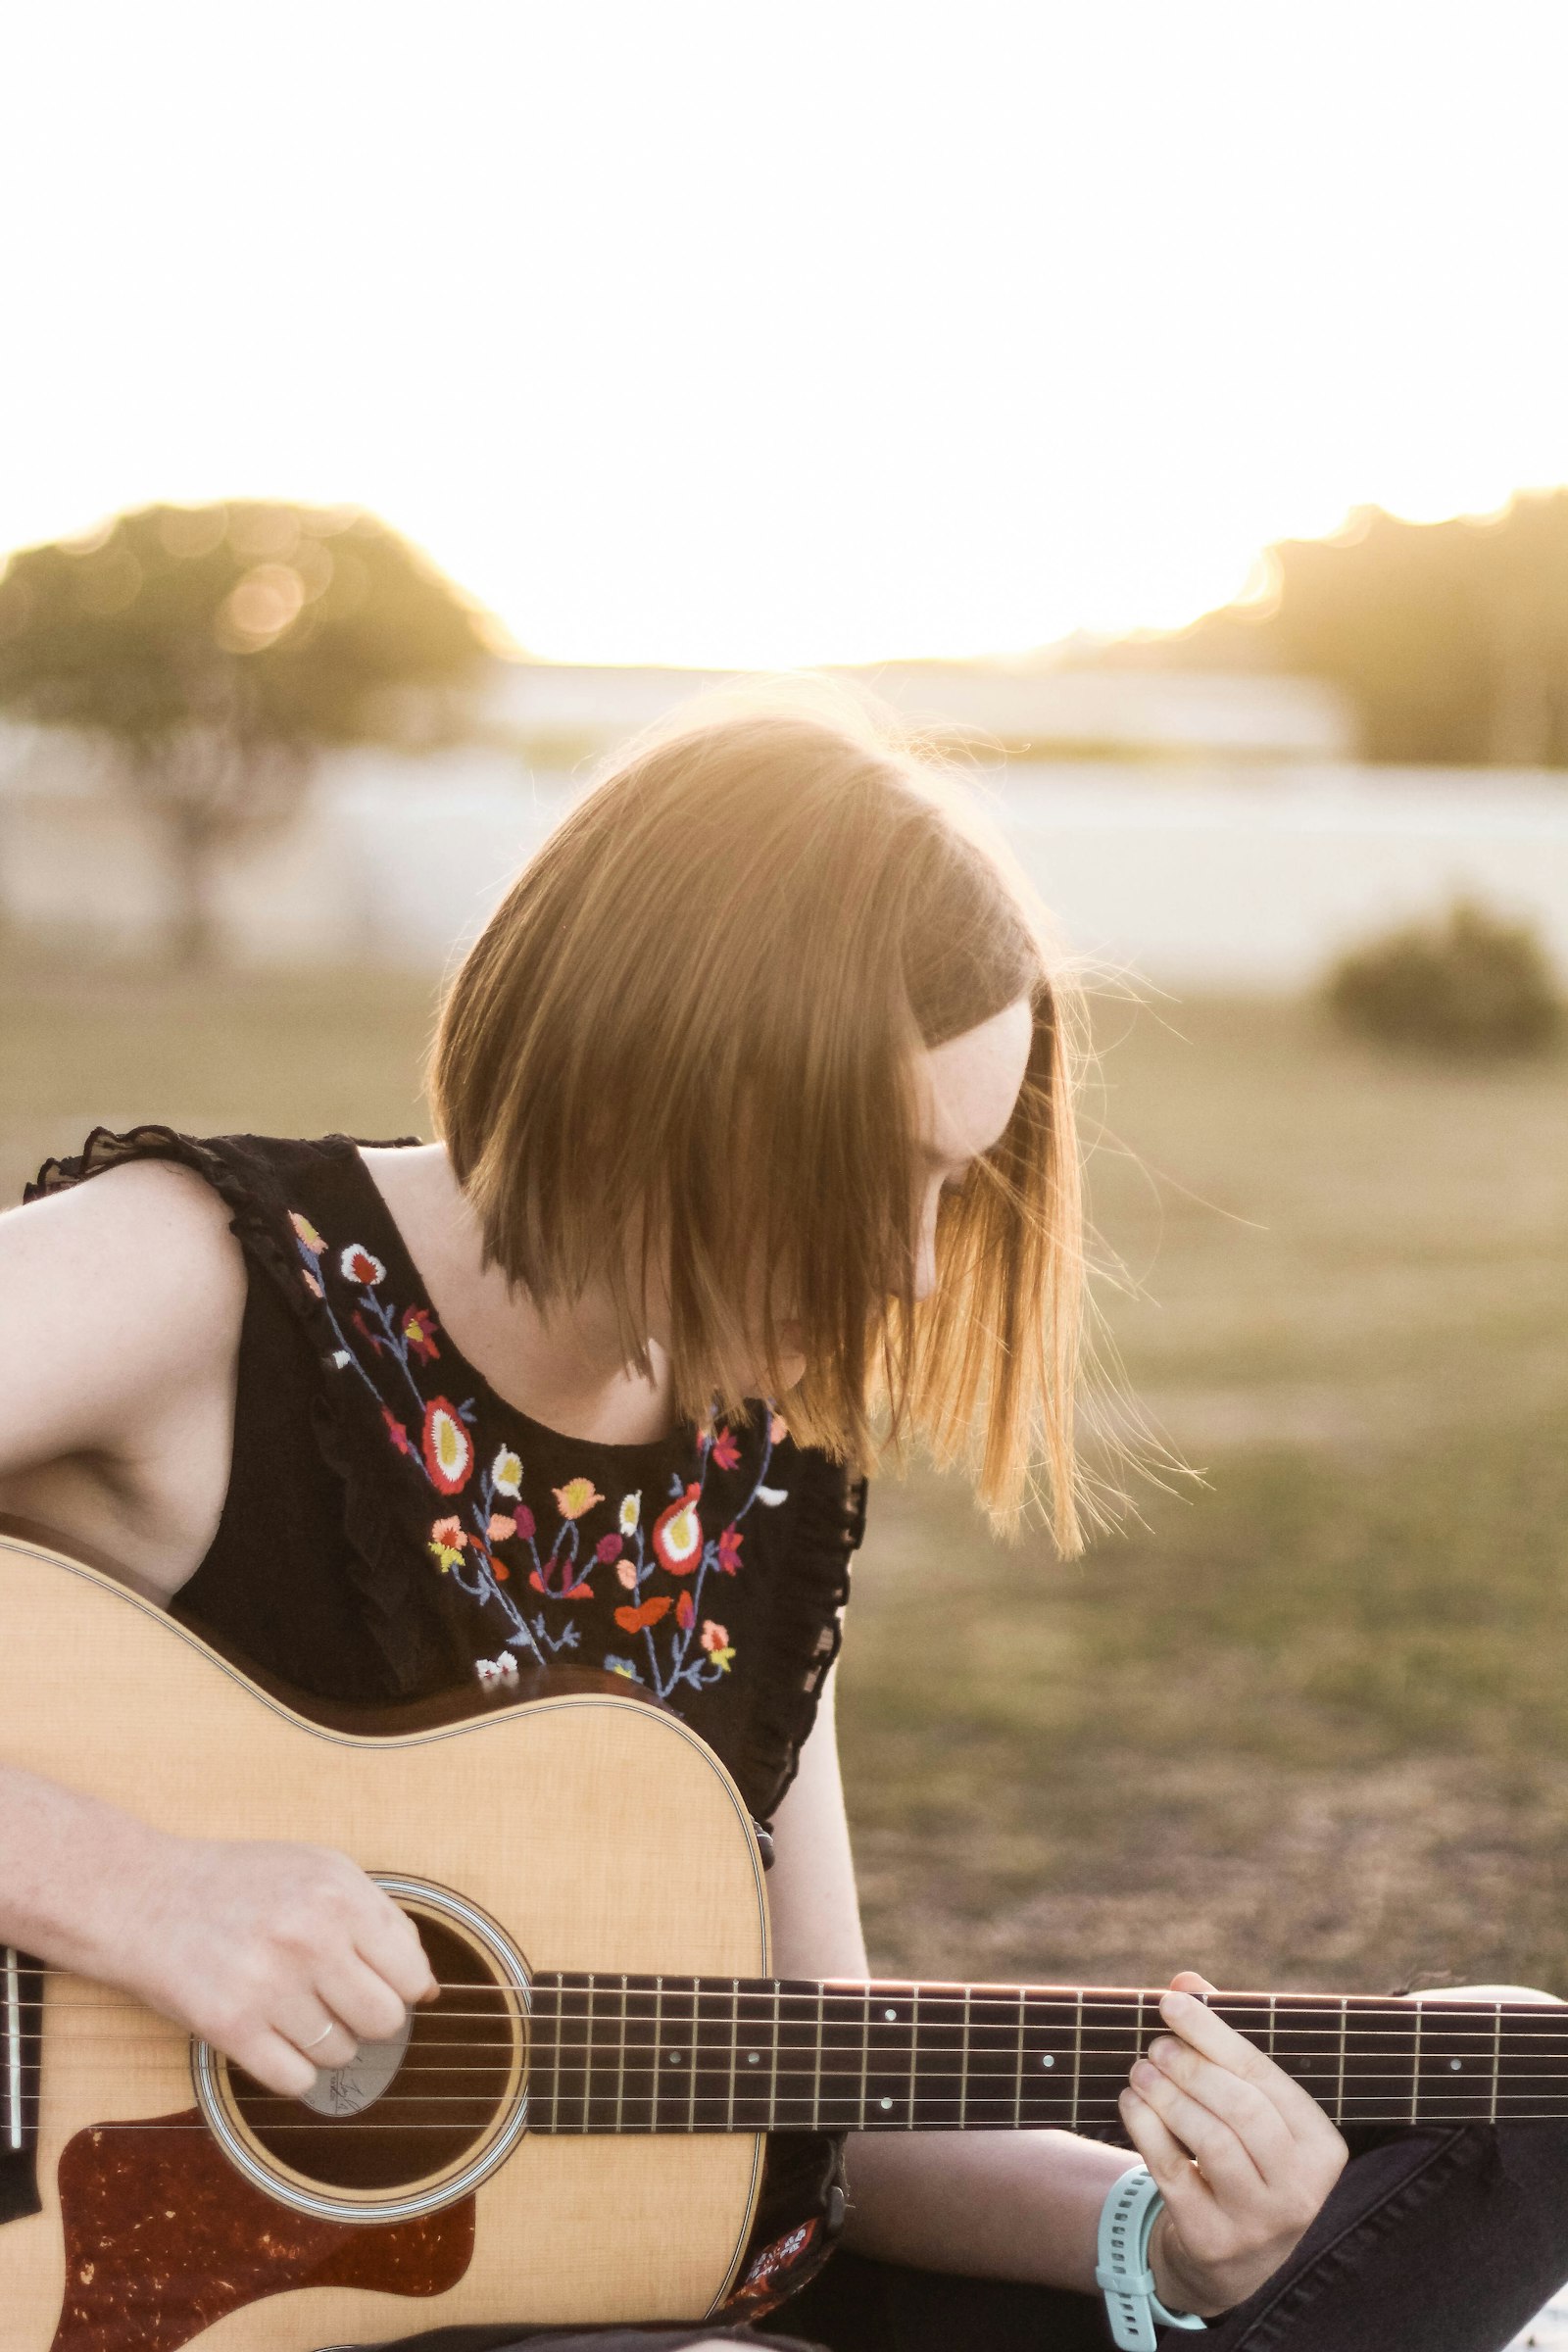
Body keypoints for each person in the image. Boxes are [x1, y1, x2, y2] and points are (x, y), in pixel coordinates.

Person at [1, 695, 1564, 2352]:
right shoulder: (212, 1282)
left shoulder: (757, 1463)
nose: (913, 1265)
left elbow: (815, 2093)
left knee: (1513, 2100)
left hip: (681, 2289)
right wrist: (136, 1891)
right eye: (873, 1168)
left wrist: (1160, 2242)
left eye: (955, 1180)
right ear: (656, 1084)